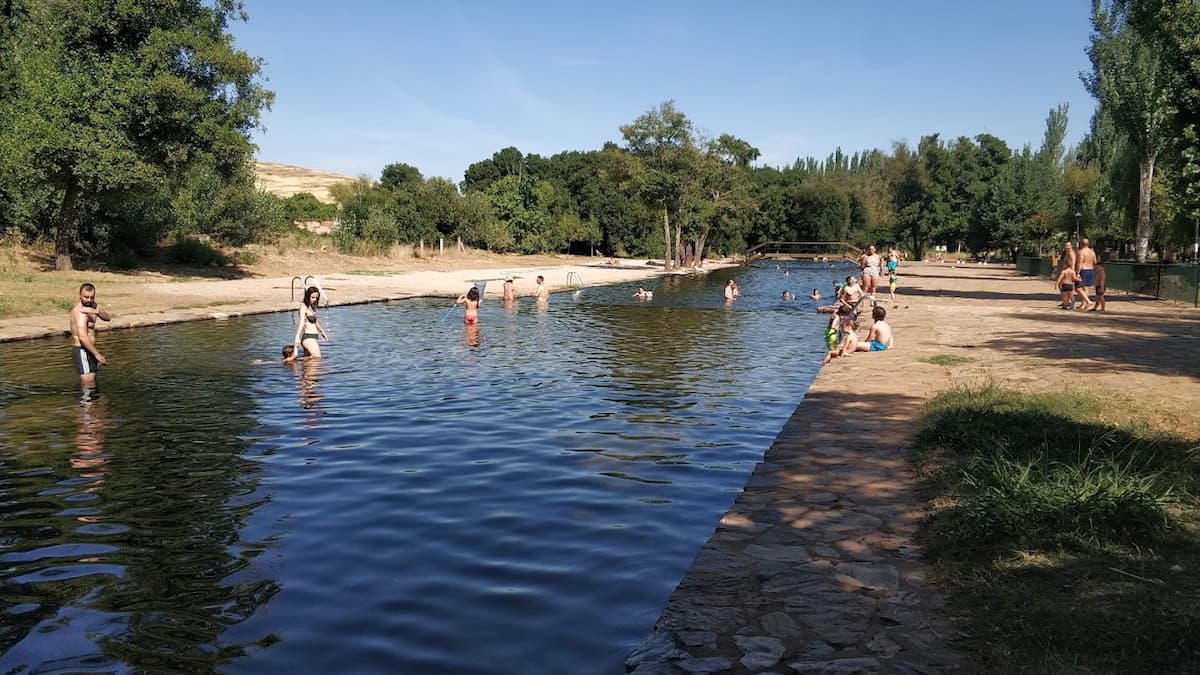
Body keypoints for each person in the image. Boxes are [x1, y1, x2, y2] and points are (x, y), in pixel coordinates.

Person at [69, 282, 111, 388]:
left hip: (90, 349)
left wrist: (97, 312)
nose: (89, 300)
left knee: (92, 382)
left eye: (92, 297)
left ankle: (92, 403)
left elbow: (108, 318)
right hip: (82, 350)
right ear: (80, 295)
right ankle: (80, 403)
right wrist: (97, 354)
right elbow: (83, 337)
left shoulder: (93, 305)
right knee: (88, 384)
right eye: (86, 297)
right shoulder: (80, 312)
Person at [293, 286, 329, 358]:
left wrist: (322, 332)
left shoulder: (312, 308)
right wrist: (297, 337)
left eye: (316, 298)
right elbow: (302, 322)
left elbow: (315, 322)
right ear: (307, 296)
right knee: (317, 357)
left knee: (308, 361)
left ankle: (291, 362)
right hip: (308, 337)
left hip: (313, 337)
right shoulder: (303, 307)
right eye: (313, 297)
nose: (315, 299)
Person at [1075, 237, 1097, 311]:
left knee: (1078, 288)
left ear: (1081, 244)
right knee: (1086, 288)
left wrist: (1077, 272)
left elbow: (1079, 263)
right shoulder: (1092, 252)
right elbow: (1095, 262)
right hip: (1091, 270)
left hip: (1083, 270)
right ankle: (1083, 304)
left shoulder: (1080, 252)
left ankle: (1088, 301)